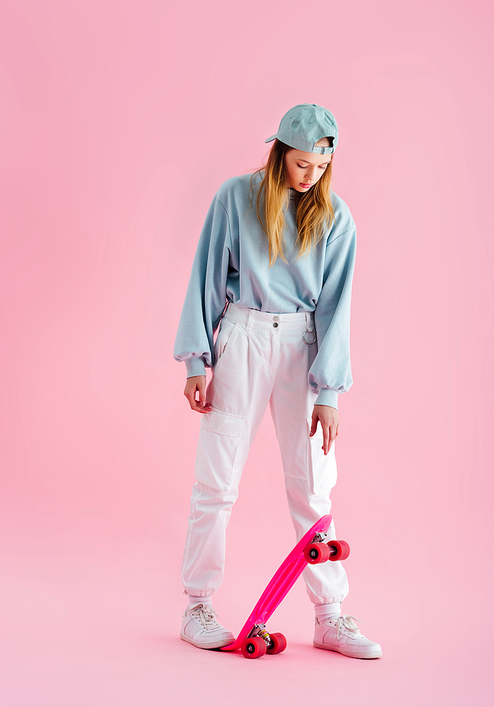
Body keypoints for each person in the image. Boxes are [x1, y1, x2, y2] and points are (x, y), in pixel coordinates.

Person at [173, 103, 382, 659]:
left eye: (320, 166)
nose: (310, 175)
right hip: (241, 335)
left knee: (313, 485)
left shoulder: (335, 216)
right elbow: (205, 276)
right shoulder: (236, 197)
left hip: (302, 345)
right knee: (216, 479)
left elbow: (337, 307)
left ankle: (330, 615)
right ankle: (197, 604)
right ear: (280, 151)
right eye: (301, 163)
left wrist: (330, 392)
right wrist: (198, 361)